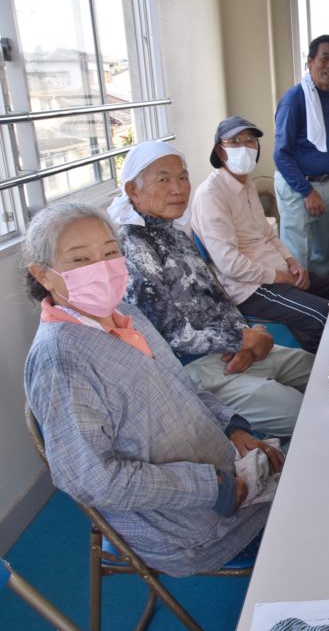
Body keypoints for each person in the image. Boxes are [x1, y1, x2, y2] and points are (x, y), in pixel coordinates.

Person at [22, 201, 283, 577]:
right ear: (43, 275)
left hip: (227, 471)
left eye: (109, 253)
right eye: (80, 260)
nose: (101, 268)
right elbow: (92, 478)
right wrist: (212, 487)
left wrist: (234, 429)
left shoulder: (128, 314)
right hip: (190, 526)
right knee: (314, 522)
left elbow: (184, 385)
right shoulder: (60, 360)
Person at [108, 141, 313, 438]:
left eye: (183, 177)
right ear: (132, 190)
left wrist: (249, 339)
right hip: (195, 371)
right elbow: (168, 334)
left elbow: (217, 298)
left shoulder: (176, 235)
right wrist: (242, 339)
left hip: (230, 349)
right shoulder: (133, 246)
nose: (178, 188)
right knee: (301, 412)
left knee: (318, 370)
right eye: (164, 179)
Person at [193, 116, 329, 352]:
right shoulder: (211, 195)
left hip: (277, 272)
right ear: (219, 151)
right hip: (251, 289)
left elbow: (268, 234)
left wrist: (292, 262)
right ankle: (313, 369)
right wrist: (282, 277)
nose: (244, 147)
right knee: (324, 316)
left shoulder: (247, 183)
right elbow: (230, 265)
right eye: (234, 142)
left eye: (250, 141)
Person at [274, 34, 329, 283]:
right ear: (310, 62)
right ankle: (299, 303)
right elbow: (281, 154)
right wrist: (306, 192)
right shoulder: (294, 100)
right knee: (298, 254)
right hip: (297, 186)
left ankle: (325, 298)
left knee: (326, 251)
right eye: (325, 58)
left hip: (327, 182)